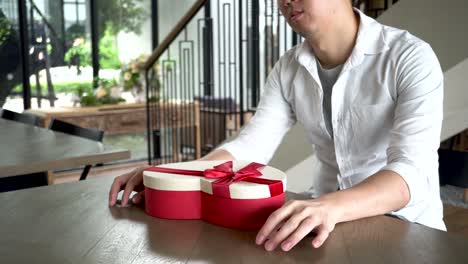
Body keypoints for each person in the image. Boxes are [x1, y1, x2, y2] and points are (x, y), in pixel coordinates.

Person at [109, 0, 445, 252]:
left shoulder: (409, 57)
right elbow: (249, 148)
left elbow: (411, 171)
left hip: (409, 232)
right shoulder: (288, 67)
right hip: (324, 230)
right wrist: (173, 175)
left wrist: (329, 206)